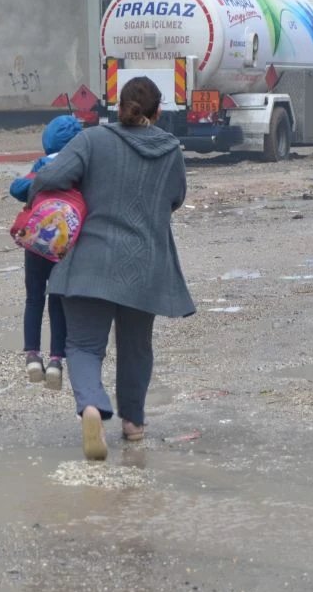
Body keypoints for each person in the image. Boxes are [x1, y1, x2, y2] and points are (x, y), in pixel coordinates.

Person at [28, 78, 194, 461]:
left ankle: (91, 408)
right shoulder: (170, 150)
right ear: (156, 112)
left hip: (89, 264)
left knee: (84, 345)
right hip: (146, 266)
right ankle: (133, 423)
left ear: (119, 106)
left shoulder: (91, 141)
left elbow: (49, 178)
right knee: (136, 348)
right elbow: (176, 198)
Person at [10, 114, 83, 389]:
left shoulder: (42, 165)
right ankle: (55, 360)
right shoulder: (80, 166)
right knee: (57, 300)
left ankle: (31, 355)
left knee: (33, 298)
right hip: (66, 245)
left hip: (37, 242)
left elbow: (17, 188)